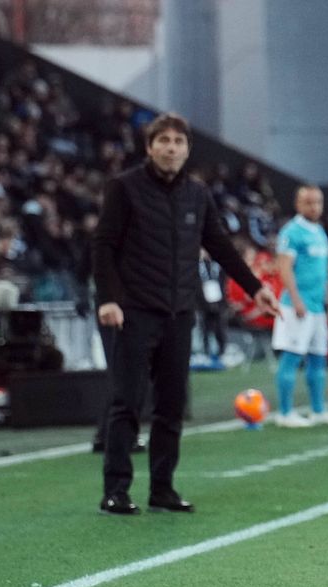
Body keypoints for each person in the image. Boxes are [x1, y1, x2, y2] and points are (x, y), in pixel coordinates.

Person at [92, 113, 279, 516]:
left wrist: (256, 288)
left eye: (178, 142)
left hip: (178, 314)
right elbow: (103, 246)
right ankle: (115, 490)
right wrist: (108, 299)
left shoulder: (197, 193)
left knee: (171, 405)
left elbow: (220, 245)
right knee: (127, 402)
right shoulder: (124, 188)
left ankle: (162, 488)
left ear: (187, 149)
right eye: (164, 140)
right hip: (132, 312)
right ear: (150, 147)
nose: (171, 148)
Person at [271, 185, 328, 427]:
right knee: (292, 357)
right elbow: (284, 268)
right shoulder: (291, 232)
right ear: (298, 204)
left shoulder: (319, 231)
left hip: (316, 307)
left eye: (318, 202)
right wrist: (296, 299)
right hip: (297, 306)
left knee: (318, 358)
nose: (314, 207)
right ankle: (285, 413)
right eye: (309, 202)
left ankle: (318, 410)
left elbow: (320, 272)